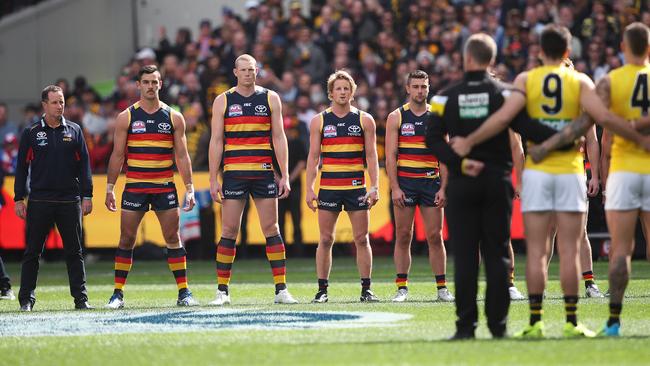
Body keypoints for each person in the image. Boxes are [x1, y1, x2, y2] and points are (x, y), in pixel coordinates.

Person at [449, 25, 650, 338]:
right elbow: (603, 120)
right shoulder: (580, 81)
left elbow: (504, 119)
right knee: (570, 249)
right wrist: (638, 135)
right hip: (571, 170)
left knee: (539, 251)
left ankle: (535, 321)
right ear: (569, 52)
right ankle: (571, 322)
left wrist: (469, 139)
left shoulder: (526, 80)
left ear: (539, 52)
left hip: (538, 171)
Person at [426, 33, 565, 340]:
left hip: (462, 185)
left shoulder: (443, 98)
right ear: (490, 60)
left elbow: (432, 140)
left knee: (464, 256)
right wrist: (565, 135)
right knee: (498, 255)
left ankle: (465, 328)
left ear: (467, 58)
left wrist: (460, 163)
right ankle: (498, 327)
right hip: (496, 182)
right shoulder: (504, 94)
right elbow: (528, 129)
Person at [530, 22, 650, 336]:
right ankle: (587, 309)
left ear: (623, 48)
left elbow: (595, 128)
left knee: (619, 248)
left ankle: (612, 320)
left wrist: (548, 146)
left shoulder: (609, 82)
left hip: (620, 170)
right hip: (631, 169)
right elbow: (595, 129)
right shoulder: (587, 83)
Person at [104, 65, 199, 309]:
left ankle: (184, 292)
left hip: (164, 186)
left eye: (154, 82)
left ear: (160, 84)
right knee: (126, 239)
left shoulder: (173, 117)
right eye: (145, 82)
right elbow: (117, 156)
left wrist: (189, 187)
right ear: (138, 85)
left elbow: (182, 155)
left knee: (172, 238)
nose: (150, 86)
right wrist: (109, 188)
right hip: (135, 186)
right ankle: (117, 294)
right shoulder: (126, 116)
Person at [208, 54, 298, 305]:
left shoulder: (270, 98)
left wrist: (285, 175)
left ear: (257, 71)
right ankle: (222, 292)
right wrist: (214, 179)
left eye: (252, 69)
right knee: (228, 230)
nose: (248, 73)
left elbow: (279, 138)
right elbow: (216, 141)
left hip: (263, 173)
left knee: (272, 229)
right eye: (244, 70)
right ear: (235, 72)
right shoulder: (222, 100)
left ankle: (281, 290)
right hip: (234, 174)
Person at [14, 85, 93, 311]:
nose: (60, 106)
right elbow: (21, 168)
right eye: (55, 102)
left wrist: (87, 195)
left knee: (75, 252)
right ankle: (26, 300)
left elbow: (84, 165)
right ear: (44, 105)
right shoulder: (30, 133)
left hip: (69, 201)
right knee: (32, 252)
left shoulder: (75, 131)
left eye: (62, 102)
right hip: (39, 201)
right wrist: (19, 198)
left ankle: (81, 299)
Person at [305, 70, 380, 303]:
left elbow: (372, 156)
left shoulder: (365, 120)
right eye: (338, 88)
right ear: (330, 93)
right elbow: (313, 158)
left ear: (352, 92)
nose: (342, 92)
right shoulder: (319, 121)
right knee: (326, 239)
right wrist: (309, 187)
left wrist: (375, 185)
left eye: (346, 88)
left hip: (356, 187)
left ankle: (366, 290)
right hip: (328, 187)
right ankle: (322, 290)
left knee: (361, 238)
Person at [384, 70, 453, 303]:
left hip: (431, 182)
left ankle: (442, 288)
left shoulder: (438, 116)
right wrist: (395, 187)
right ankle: (402, 287)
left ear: (429, 88)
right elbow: (390, 155)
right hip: (405, 183)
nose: (420, 91)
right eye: (416, 86)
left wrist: (444, 187)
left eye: (423, 86)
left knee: (435, 236)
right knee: (404, 235)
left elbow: (444, 155)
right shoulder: (396, 117)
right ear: (407, 89)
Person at [278, 119, 307, 247]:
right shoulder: (275, 144)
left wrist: (287, 180)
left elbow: (302, 162)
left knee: (296, 218)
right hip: (279, 186)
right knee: (279, 220)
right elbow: (270, 164)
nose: (288, 132)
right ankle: (281, 248)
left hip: (294, 186)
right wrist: (282, 180)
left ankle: (298, 248)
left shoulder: (297, 143)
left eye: (290, 129)